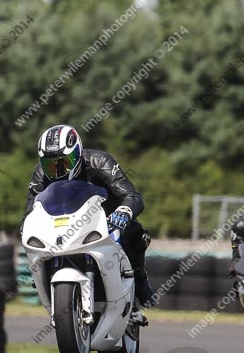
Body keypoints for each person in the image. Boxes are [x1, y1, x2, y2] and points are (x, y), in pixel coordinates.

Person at [21, 124, 156, 307]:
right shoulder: (40, 174)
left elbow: (132, 196)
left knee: (136, 234)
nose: (57, 171)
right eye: (50, 165)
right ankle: (43, 279)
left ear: (77, 153)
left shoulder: (100, 162)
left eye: (64, 162)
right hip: (60, 225)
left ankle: (139, 281)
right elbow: (30, 210)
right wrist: (26, 227)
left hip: (105, 217)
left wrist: (122, 213)